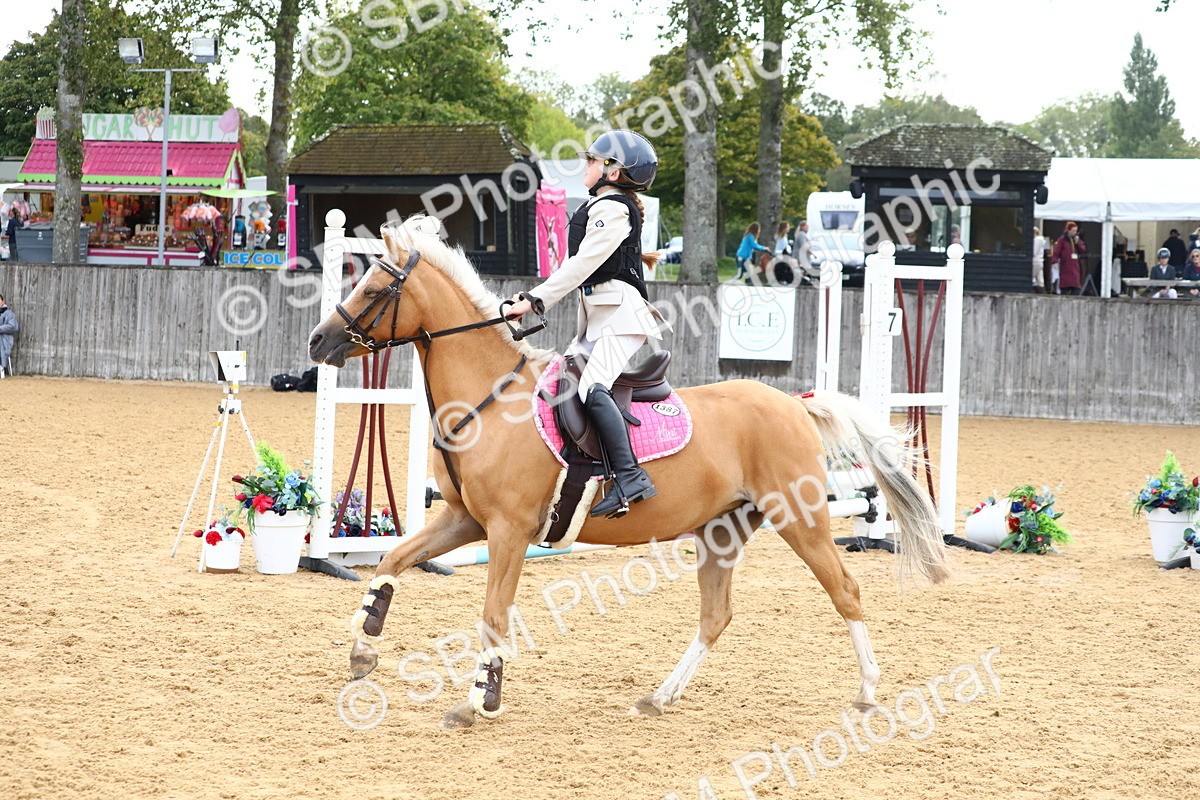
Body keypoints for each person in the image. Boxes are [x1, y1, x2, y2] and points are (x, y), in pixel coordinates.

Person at [506, 130, 666, 519]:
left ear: (613, 172)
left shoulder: (612, 208)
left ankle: (630, 476)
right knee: (561, 382)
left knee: (594, 386)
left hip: (621, 317)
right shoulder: (605, 205)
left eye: (594, 160)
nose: (586, 165)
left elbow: (581, 266)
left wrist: (533, 300)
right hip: (599, 319)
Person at [1052, 222, 1086, 295]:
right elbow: (1057, 251)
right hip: (1066, 266)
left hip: (1075, 266)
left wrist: (1078, 243)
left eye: (1076, 231)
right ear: (1068, 230)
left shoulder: (1076, 240)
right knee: (1065, 286)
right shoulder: (1062, 240)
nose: (1075, 233)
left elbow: (1083, 250)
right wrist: (1055, 261)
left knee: (1076, 287)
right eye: (1073, 231)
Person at [0, 292, 17, 378]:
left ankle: (1, 366)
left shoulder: (9, 314)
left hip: (4, 339)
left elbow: (13, 327)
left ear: (2, 302)